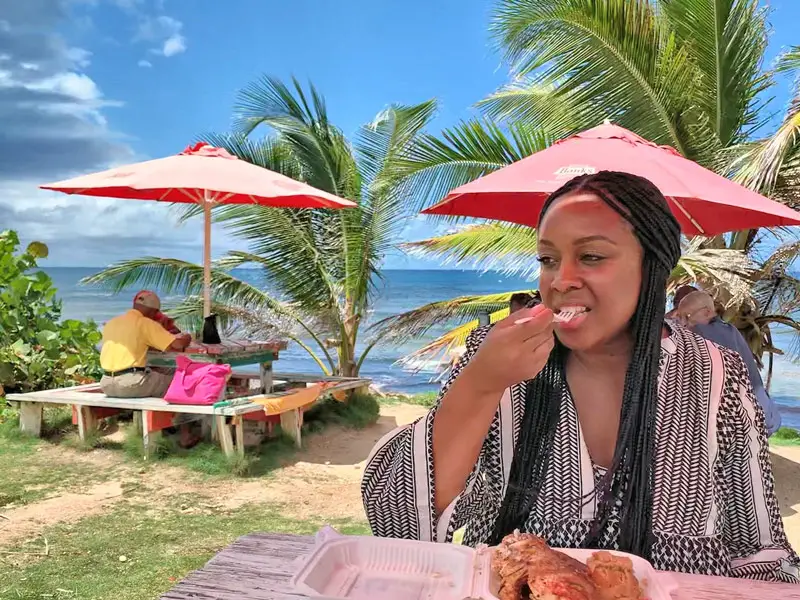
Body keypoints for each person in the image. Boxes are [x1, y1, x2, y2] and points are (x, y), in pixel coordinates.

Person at [361, 171, 799, 582]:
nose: (560, 280)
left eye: (590, 256)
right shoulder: (496, 362)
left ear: (653, 268)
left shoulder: (716, 371)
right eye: (548, 259)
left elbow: (758, 548)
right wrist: (481, 384)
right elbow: (396, 521)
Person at [100, 291, 198, 447]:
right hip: (131, 384)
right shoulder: (145, 324)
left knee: (160, 376)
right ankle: (185, 434)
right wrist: (188, 338)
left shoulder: (112, 323)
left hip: (106, 384)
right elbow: (177, 345)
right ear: (154, 312)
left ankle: (168, 428)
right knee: (181, 383)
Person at [678, 290, 781, 435]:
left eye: (687, 317)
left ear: (707, 312)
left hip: (745, 423)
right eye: (680, 317)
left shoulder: (704, 332)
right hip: (762, 416)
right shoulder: (729, 331)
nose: (683, 324)